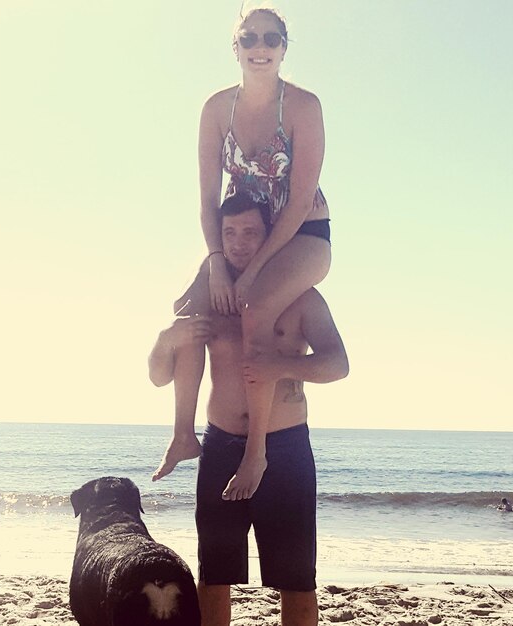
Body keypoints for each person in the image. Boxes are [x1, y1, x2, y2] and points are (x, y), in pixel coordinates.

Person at [154, 7, 333, 501]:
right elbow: (207, 198)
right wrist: (216, 259)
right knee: (191, 313)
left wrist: (251, 271)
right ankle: (184, 433)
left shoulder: (302, 105)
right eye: (249, 36)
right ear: (235, 45)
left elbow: (298, 202)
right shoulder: (216, 109)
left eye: (271, 37)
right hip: (243, 232)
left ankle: (257, 451)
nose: (261, 45)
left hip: (302, 234)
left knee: (254, 307)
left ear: (283, 46)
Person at [149, 194, 348, 626]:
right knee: (215, 574)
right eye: (229, 233)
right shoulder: (210, 299)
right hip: (220, 445)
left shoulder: (300, 297)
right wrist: (167, 339)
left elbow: (338, 364)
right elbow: (160, 376)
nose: (239, 243)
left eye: (251, 232)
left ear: (271, 236)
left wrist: (281, 365)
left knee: (296, 580)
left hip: (286, 450)